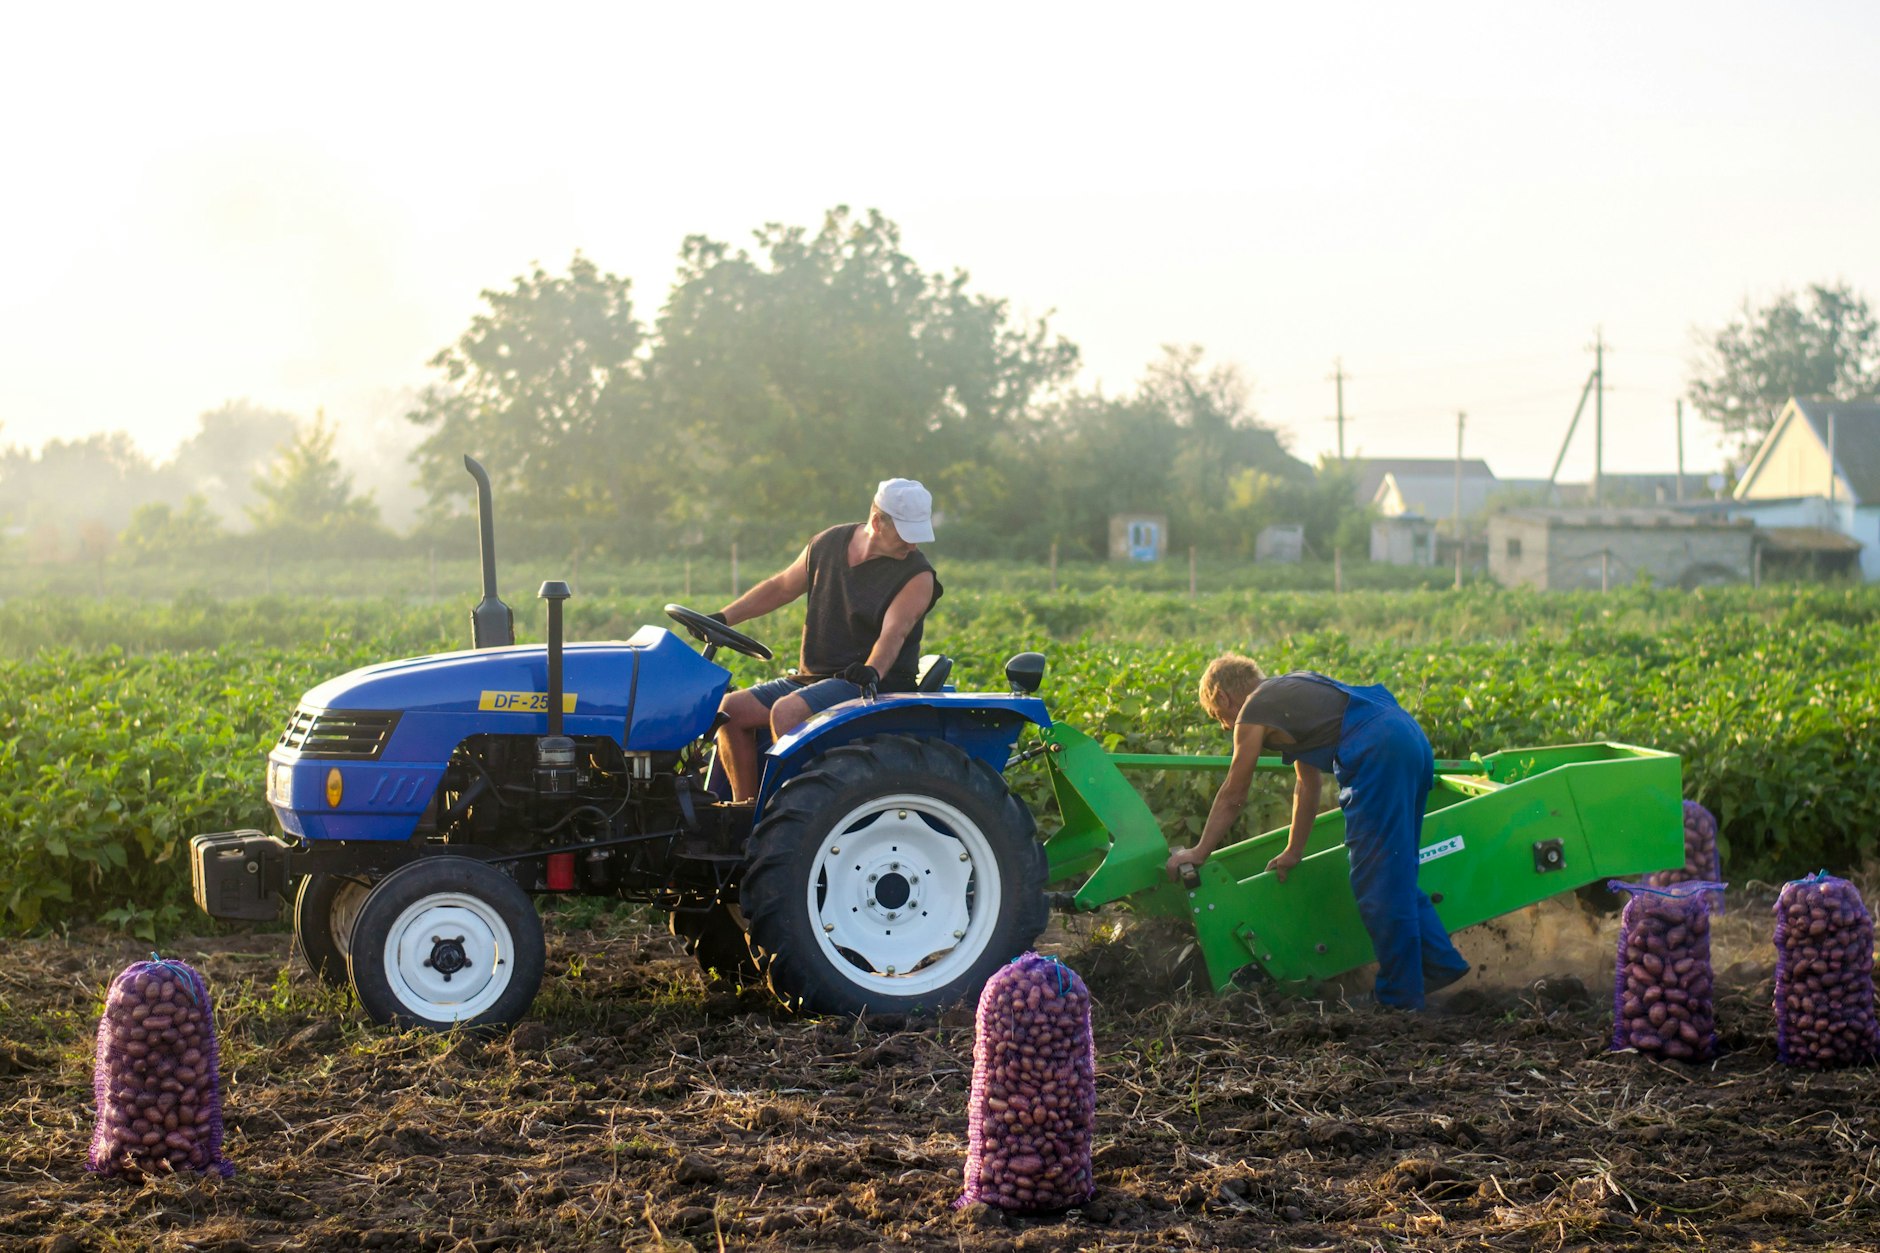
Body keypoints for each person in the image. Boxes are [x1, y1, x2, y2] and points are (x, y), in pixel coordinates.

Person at [1164, 655, 1470, 1011]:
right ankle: (1438, 963)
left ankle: (1400, 1000)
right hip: (1406, 736)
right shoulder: (1290, 694)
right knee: (1394, 872)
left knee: (1376, 882)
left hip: (1377, 750)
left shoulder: (1253, 710)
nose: (1223, 726)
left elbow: (1235, 791)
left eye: (1219, 717)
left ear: (1223, 698)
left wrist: (1199, 852)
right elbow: (1306, 785)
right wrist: (1294, 850)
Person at [709, 478, 943, 801]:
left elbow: (895, 631)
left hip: (873, 683)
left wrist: (872, 670)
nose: (913, 546)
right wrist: (723, 618)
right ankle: (744, 813)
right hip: (815, 678)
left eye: (918, 535)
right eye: (906, 535)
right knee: (730, 710)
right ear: (877, 522)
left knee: (787, 713)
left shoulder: (918, 576)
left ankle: (789, 815)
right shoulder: (828, 544)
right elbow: (780, 587)